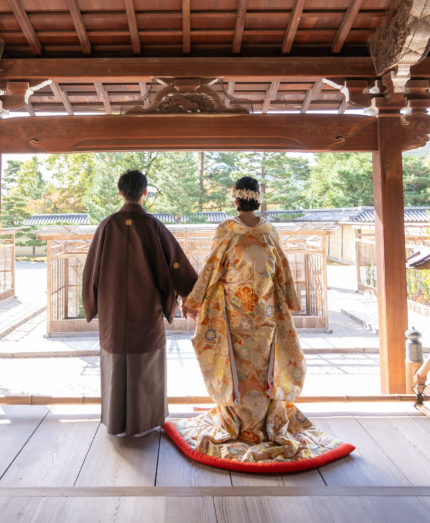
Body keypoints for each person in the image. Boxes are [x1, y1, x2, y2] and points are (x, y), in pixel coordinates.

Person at [171, 176, 350, 465]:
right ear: (257, 199)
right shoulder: (269, 231)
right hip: (265, 313)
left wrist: (194, 301)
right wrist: (290, 302)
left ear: (234, 199)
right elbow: (282, 270)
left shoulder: (228, 230)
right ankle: (262, 426)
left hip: (236, 313)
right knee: (262, 366)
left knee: (238, 368)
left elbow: (212, 268)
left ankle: (241, 425)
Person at [82, 169, 197, 438]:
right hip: (146, 309)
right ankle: (144, 422)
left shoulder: (107, 225)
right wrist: (191, 295)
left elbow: (91, 269)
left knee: (115, 360)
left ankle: (116, 421)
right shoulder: (154, 226)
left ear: (120, 193)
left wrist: (92, 302)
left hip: (112, 310)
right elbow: (176, 264)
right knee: (146, 362)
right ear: (145, 192)